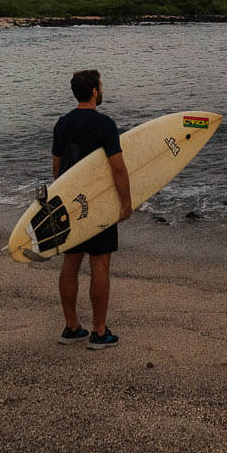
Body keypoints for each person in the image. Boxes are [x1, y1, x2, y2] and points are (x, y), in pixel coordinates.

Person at [51, 68, 132, 349]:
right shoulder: (104, 124)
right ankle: (99, 332)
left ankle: (72, 327)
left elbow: (57, 169)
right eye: (101, 85)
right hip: (97, 203)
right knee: (100, 262)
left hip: (71, 203)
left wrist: (65, 201)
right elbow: (118, 169)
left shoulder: (62, 124)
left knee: (71, 263)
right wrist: (126, 203)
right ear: (95, 91)